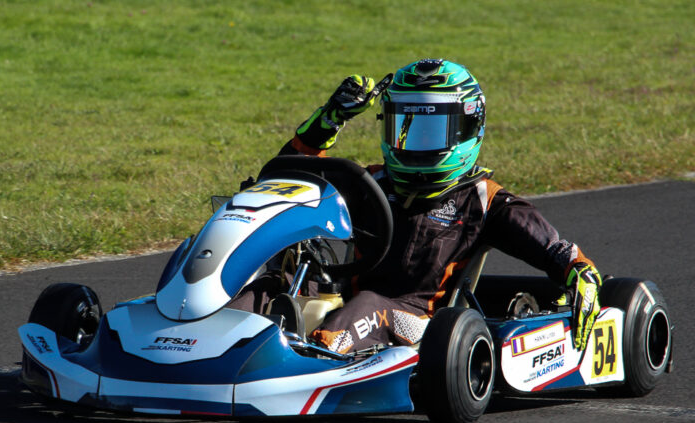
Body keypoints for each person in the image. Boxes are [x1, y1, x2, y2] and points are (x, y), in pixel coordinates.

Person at [234, 58, 602, 355]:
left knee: (368, 307)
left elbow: (554, 249)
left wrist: (580, 272)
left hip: (418, 320)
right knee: (264, 292)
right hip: (342, 298)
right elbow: (284, 183)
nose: (412, 143)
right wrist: (330, 118)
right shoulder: (371, 182)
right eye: (403, 127)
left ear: (466, 129)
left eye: (430, 131)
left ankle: (311, 363)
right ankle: (198, 348)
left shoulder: (483, 199)